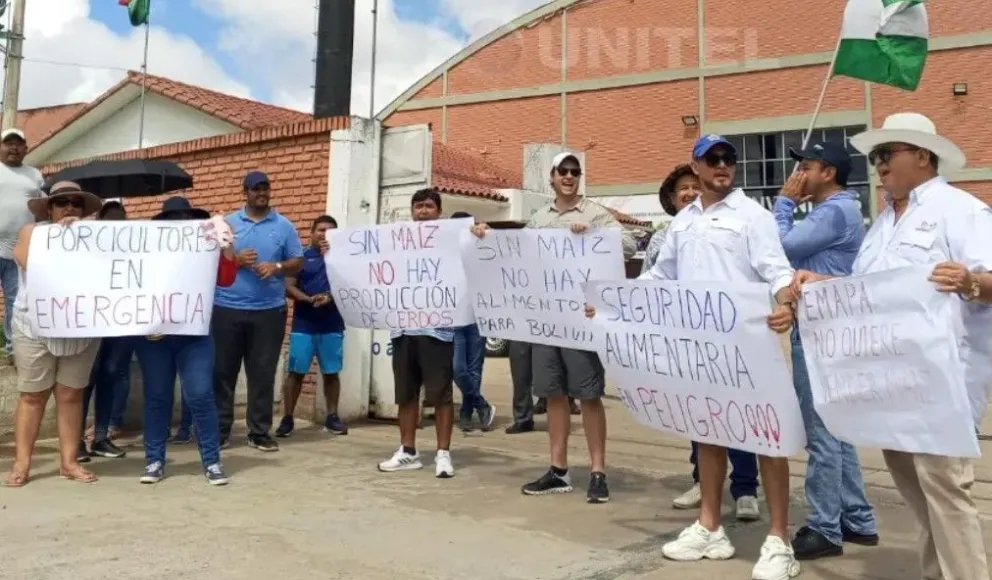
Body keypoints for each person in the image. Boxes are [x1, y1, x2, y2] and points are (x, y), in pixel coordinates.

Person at [792, 112, 992, 579]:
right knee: (919, 497)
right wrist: (821, 283)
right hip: (890, 386)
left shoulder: (960, 210)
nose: (878, 164)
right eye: (875, 156)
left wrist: (970, 282)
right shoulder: (883, 223)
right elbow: (866, 291)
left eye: (887, 153)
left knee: (946, 493)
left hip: (944, 385)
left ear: (922, 155)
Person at [591, 135, 799, 577]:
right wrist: (614, 301)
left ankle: (779, 539)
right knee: (708, 430)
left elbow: (777, 270)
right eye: (713, 159)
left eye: (729, 159)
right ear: (697, 165)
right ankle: (709, 527)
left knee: (767, 436)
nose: (723, 165)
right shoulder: (684, 221)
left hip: (748, 344)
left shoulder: (753, 216)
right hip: (699, 348)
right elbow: (661, 276)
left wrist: (786, 304)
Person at [473, 152, 636, 503]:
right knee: (553, 395)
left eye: (575, 172)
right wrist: (484, 237)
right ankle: (558, 469)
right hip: (545, 323)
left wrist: (593, 232)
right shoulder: (539, 219)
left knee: (589, 396)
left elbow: (629, 244)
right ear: (552, 176)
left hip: (580, 322)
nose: (569, 176)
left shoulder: (595, 213)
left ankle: (597, 471)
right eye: (563, 171)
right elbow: (514, 254)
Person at [775, 142, 879, 560]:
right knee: (839, 428)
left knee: (821, 431)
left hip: (823, 332)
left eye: (807, 166)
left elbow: (782, 245)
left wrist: (783, 203)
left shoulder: (835, 211)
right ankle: (856, 517)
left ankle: (824, 527)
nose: (799, 173)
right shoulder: (838, 211)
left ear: (829, 173)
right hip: (828, 329)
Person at [646, 164, 760, 519]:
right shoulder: (663, 238)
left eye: (696, 186)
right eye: (683, 187)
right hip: (684, 342)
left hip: (731, 338)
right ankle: (702, 481)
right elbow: (653, 282)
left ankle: (745, 488)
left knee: (736, 412)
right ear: (671, 197)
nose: (690, 192)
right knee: (698, 415)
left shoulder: (738, 224)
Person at [3, 182, 104, 487]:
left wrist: (83, 236)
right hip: (34, 323)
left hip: (81, 325)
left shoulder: (98, 237)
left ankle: (69, 463)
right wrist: (62, 239)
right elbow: (25, 259)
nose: (69, 208)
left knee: (71, 393)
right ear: (49, 208)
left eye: (76, 202)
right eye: (62, 202)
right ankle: (22, 464)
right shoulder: (32, 233)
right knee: (32, 395)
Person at [136, 196, 237, 485]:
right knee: (157, 397)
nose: (180, 222)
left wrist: (226, 239)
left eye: (185, 217)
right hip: (153, 335)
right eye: (173, 218)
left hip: (194, 334)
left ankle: (212, 460)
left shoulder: (205, 248)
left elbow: (227, 278)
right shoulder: (147, 251)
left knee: (201, 395)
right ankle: (154, 459)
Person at [213, 171, 303, 452]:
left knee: (262, 374)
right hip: (226, 308)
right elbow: (211, 260)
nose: (261, 193)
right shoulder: (227, 223)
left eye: (265, 188)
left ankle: (259, 432)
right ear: (245, 193)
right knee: (222, 373)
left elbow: (298, 262)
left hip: (268, 311)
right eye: (255, 189)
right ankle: (219, 430)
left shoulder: (284, 226)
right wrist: (236, 261)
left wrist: (276, 267)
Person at [377, 188, 457, 478]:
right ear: (411, 211)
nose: (423, 211)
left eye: (429, 206)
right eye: (418, 206)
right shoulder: (398, 243)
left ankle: (443, 454)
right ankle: (408, 451)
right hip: (403, 328)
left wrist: (478, 231)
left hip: (438, 330)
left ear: (439, 211)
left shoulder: (451, 240)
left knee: (442, 396)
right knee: (406, 395)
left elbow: (474, 251)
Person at [276, 214, 349, 438]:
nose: (325, 234)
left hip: (332, 325)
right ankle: (288, 418)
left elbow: (349, 287)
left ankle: (332, 417)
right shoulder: (301, 259)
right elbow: (288, 286)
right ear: (312, 233)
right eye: (321, 230)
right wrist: (307, 299)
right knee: (295, 373)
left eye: (330, 230)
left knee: (331, 373)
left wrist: (329, 296)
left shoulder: (343, 259)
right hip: (303, 325)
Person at [78, 201, 134, 462]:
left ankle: (100, 438)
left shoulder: (134, 246)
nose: (115, 223)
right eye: (110, 218)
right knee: (86, 380)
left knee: (111, 376)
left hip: (121, 322)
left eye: (120, 219)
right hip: (91, 321)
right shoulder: (86, 243)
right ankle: (76, 440)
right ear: (99, 219)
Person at [0, 128, 45, 365]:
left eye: (18, 144)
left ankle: (11, 348)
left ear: (26, 148)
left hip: (20, 250)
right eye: (8, 144)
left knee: (15, 301)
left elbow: (44, 210)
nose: (13, 148)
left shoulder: (35, 176)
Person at [449, 211, 497, 432]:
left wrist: (488, 234)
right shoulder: (443, 251)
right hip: (455, 316)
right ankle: (481, 404)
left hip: (478, 314)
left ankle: (467, 414)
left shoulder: (480, 243)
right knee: (458, 368)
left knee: (474, 368)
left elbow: (501, 256)